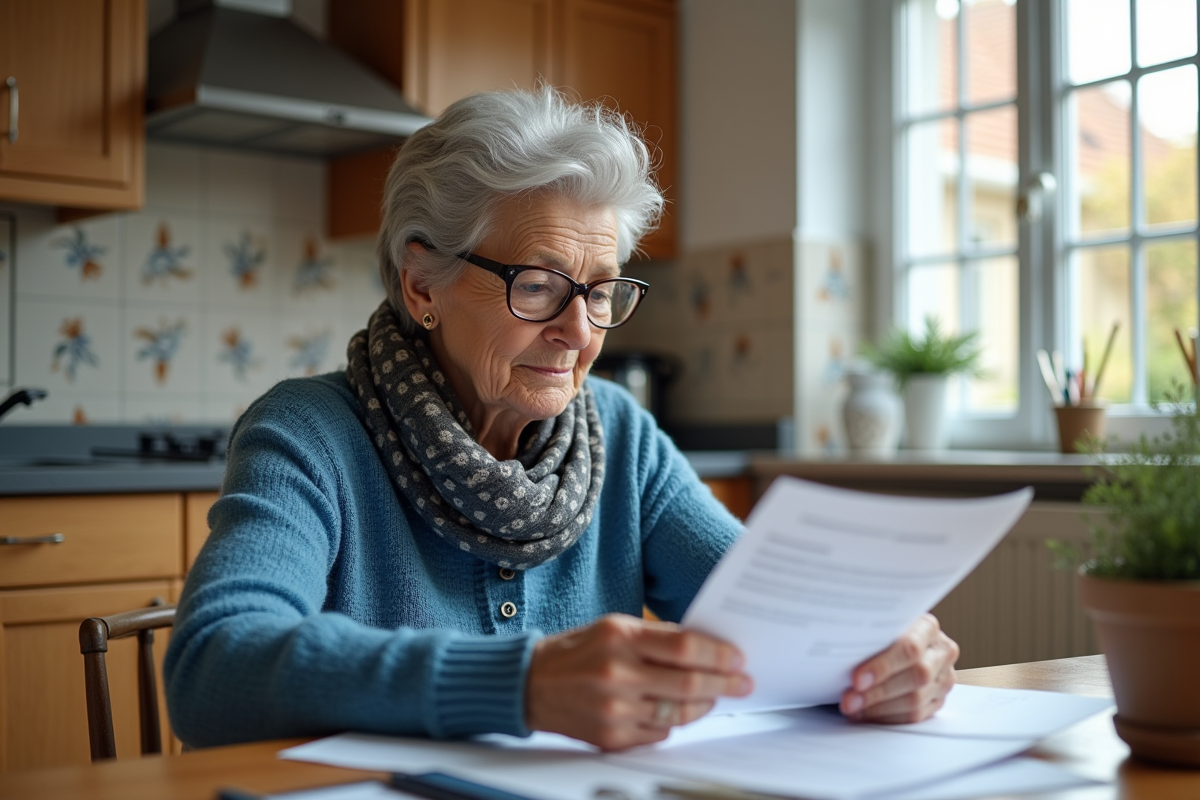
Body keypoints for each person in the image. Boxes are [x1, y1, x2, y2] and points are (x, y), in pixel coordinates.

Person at [164, 87, 959, 753]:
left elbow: (775, 615)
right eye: (538, 286)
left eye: (602, 290)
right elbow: (214, 668)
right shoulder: (310, 434)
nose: (581, 332)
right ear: (422, 286)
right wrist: (522, 683)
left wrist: (882, 647)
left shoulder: (620, 431)